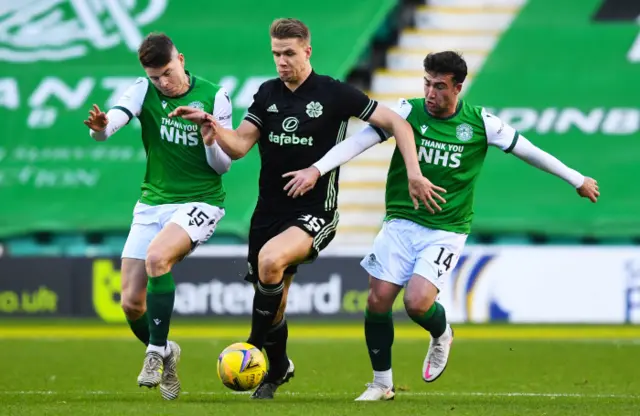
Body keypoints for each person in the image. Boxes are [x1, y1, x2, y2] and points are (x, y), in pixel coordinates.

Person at [282, 51, 600, 401]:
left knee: (417, 303)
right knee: (378, 300)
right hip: (401, 222)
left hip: (446, 229)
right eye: (427, 84)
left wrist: (576, 179)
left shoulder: (482, 124)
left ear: (458, 88)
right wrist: (317, 169)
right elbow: (359, 142)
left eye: (440, 87)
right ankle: (381, 384)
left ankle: (441, 332)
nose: (431, 94)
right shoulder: (407, 112)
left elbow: (530, 151)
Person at [168, 18, 444, 399]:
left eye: (289, 54)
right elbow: (240, 146)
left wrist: (414, 172)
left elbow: (398, 122)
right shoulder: (266, 94)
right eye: (276, 54)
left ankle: (252, 349)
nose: (281, 62)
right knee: (274, 303)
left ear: (307, 51)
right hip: (268, 213)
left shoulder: (334, 93)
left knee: (269, 262)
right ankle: (279, 367)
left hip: (316, 210)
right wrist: (213, 130)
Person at [82, 32, 233, 400]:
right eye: (154, 77)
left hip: (201, 201)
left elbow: (223, 167)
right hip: (152, 203)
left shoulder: (216, 95)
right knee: (131, 302)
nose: (162, 83)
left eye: (166, 72)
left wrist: (210, 135)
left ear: (181, 59)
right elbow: (114, 120)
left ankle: (153, 352)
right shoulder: (143, 89)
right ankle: (167, 351)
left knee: (157, 259)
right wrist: (101, 129)